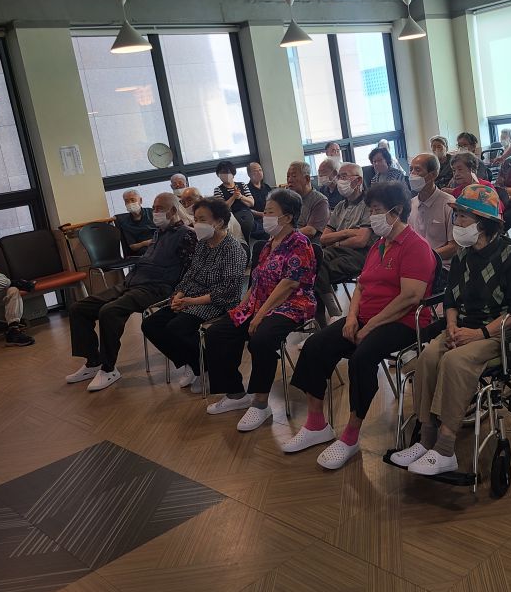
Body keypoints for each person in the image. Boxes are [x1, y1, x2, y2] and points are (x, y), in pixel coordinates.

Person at [285, 181, 437, 469]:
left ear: (397, 211)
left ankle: (351, 435)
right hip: (366, 317)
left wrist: (369, 327)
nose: (372, 216)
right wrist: (353, 317)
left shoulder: (416, 247)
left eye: (377, 210)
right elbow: (361, 287)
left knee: (362, 357)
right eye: (371, 210)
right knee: (316, 346)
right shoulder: (379, 245)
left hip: (402, 321)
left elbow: (410, 297)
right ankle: (316, 424)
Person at [390, 185, 511, 475]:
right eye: (456, 215)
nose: (456, 222)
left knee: (455, 362)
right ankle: (426, 437)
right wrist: (452, 325)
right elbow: (451, 300)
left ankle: (446, 448)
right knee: (427, 359)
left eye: (461, 217)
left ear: (483, 223)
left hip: (498, 331)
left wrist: (480, 334)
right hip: (461, 327)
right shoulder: (462, 255)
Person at [203, 189, 318, 426]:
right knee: (217, 333)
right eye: (265, 211)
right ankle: (235, 393)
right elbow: (256, 282)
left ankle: (260, 403)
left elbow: (288, 284)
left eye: (270, 212)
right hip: (260, 301)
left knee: (261, 339)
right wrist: (242, 307)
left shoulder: (299, 242)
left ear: (287, 217)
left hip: (292, 305)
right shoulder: (267, 245)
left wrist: (260, 315)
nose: (264, 216)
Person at [66, 192, 196, 392]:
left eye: (159, 209)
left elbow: (190, 270)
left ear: (172, 211)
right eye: (154, 208)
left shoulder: (186, 234)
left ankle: (108, 369)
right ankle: (93, 362)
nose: (155, 212)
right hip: (133, 283)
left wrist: (179, 293)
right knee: (79, 308)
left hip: (157, 287)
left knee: (110, 311)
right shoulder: (158, 233)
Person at [140, 198, 247, 391]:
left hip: (216, 302)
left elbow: (228, 290)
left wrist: (190, 301)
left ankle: (205, 367)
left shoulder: (232, 248)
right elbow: (191, 274)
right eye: (196, 219)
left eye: (202, 220)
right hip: (191, 299)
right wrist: (179, 295)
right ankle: (194, 363)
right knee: (150, 324)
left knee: (177, 328)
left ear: (219, 222)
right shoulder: (202, 244)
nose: (197, 224)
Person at [316, 162, 374, 321]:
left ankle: (330, 315)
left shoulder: (369, 204)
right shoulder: (340, 206)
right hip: (335, 250)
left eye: (344, 176)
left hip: (361, 254)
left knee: (315, 270)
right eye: (339, 177)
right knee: (312, 260)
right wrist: (348, 232)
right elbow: (323, 238)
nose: (339, 180)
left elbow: (361, 241)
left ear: (358, 180)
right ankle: (329, 315)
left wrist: (336, 240)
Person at [408, 153, 456, 269]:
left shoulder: (449, 204)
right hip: (415, 265)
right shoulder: (410, 205)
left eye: (417, 170)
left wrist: (425, 256)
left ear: (433, 175)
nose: (412, 174)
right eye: (411, 169)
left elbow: (454, 247)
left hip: (441, 266)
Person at [180, 186, 245, 243]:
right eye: (183, 202)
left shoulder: (217, 211)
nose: (186, 205)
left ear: (200, 198)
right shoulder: (192, 216)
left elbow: (220, 235)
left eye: (189, 200)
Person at [286, 160, 329, 240]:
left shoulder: (320, 200)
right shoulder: (287, 199)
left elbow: (310, 231)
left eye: (294, 176)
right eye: (288, 176)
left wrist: (285, 235)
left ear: (307, 179)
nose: (289, 180)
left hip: (306, 242)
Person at [213, 160, 254, 240]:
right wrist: (233, 197)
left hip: (248, 214)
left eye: (227, 172)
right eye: (222, 173)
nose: (225, 175)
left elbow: (252, 203)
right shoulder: (218, 190)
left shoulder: (242, 185)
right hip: (231, 218)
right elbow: (222, 208)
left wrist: (241, 196)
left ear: (233, 173)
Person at [114, 189, 156, 256]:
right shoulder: (125, 223)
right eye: (126, 201)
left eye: (132, 200)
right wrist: (145, 243)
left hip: (159, 244)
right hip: (143, 251)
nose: (130, 203)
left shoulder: (152, 213)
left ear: (140, 200)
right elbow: (132, 246)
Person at [247, 161, 273, 240]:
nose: (259, 172)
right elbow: (246, 209)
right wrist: (261, 214)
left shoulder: (267, 187)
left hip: (271, 216)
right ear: (249, 174)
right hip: (257, 220)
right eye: (255, 171)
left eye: (260, 170)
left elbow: (275, 202)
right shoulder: (246, 190)